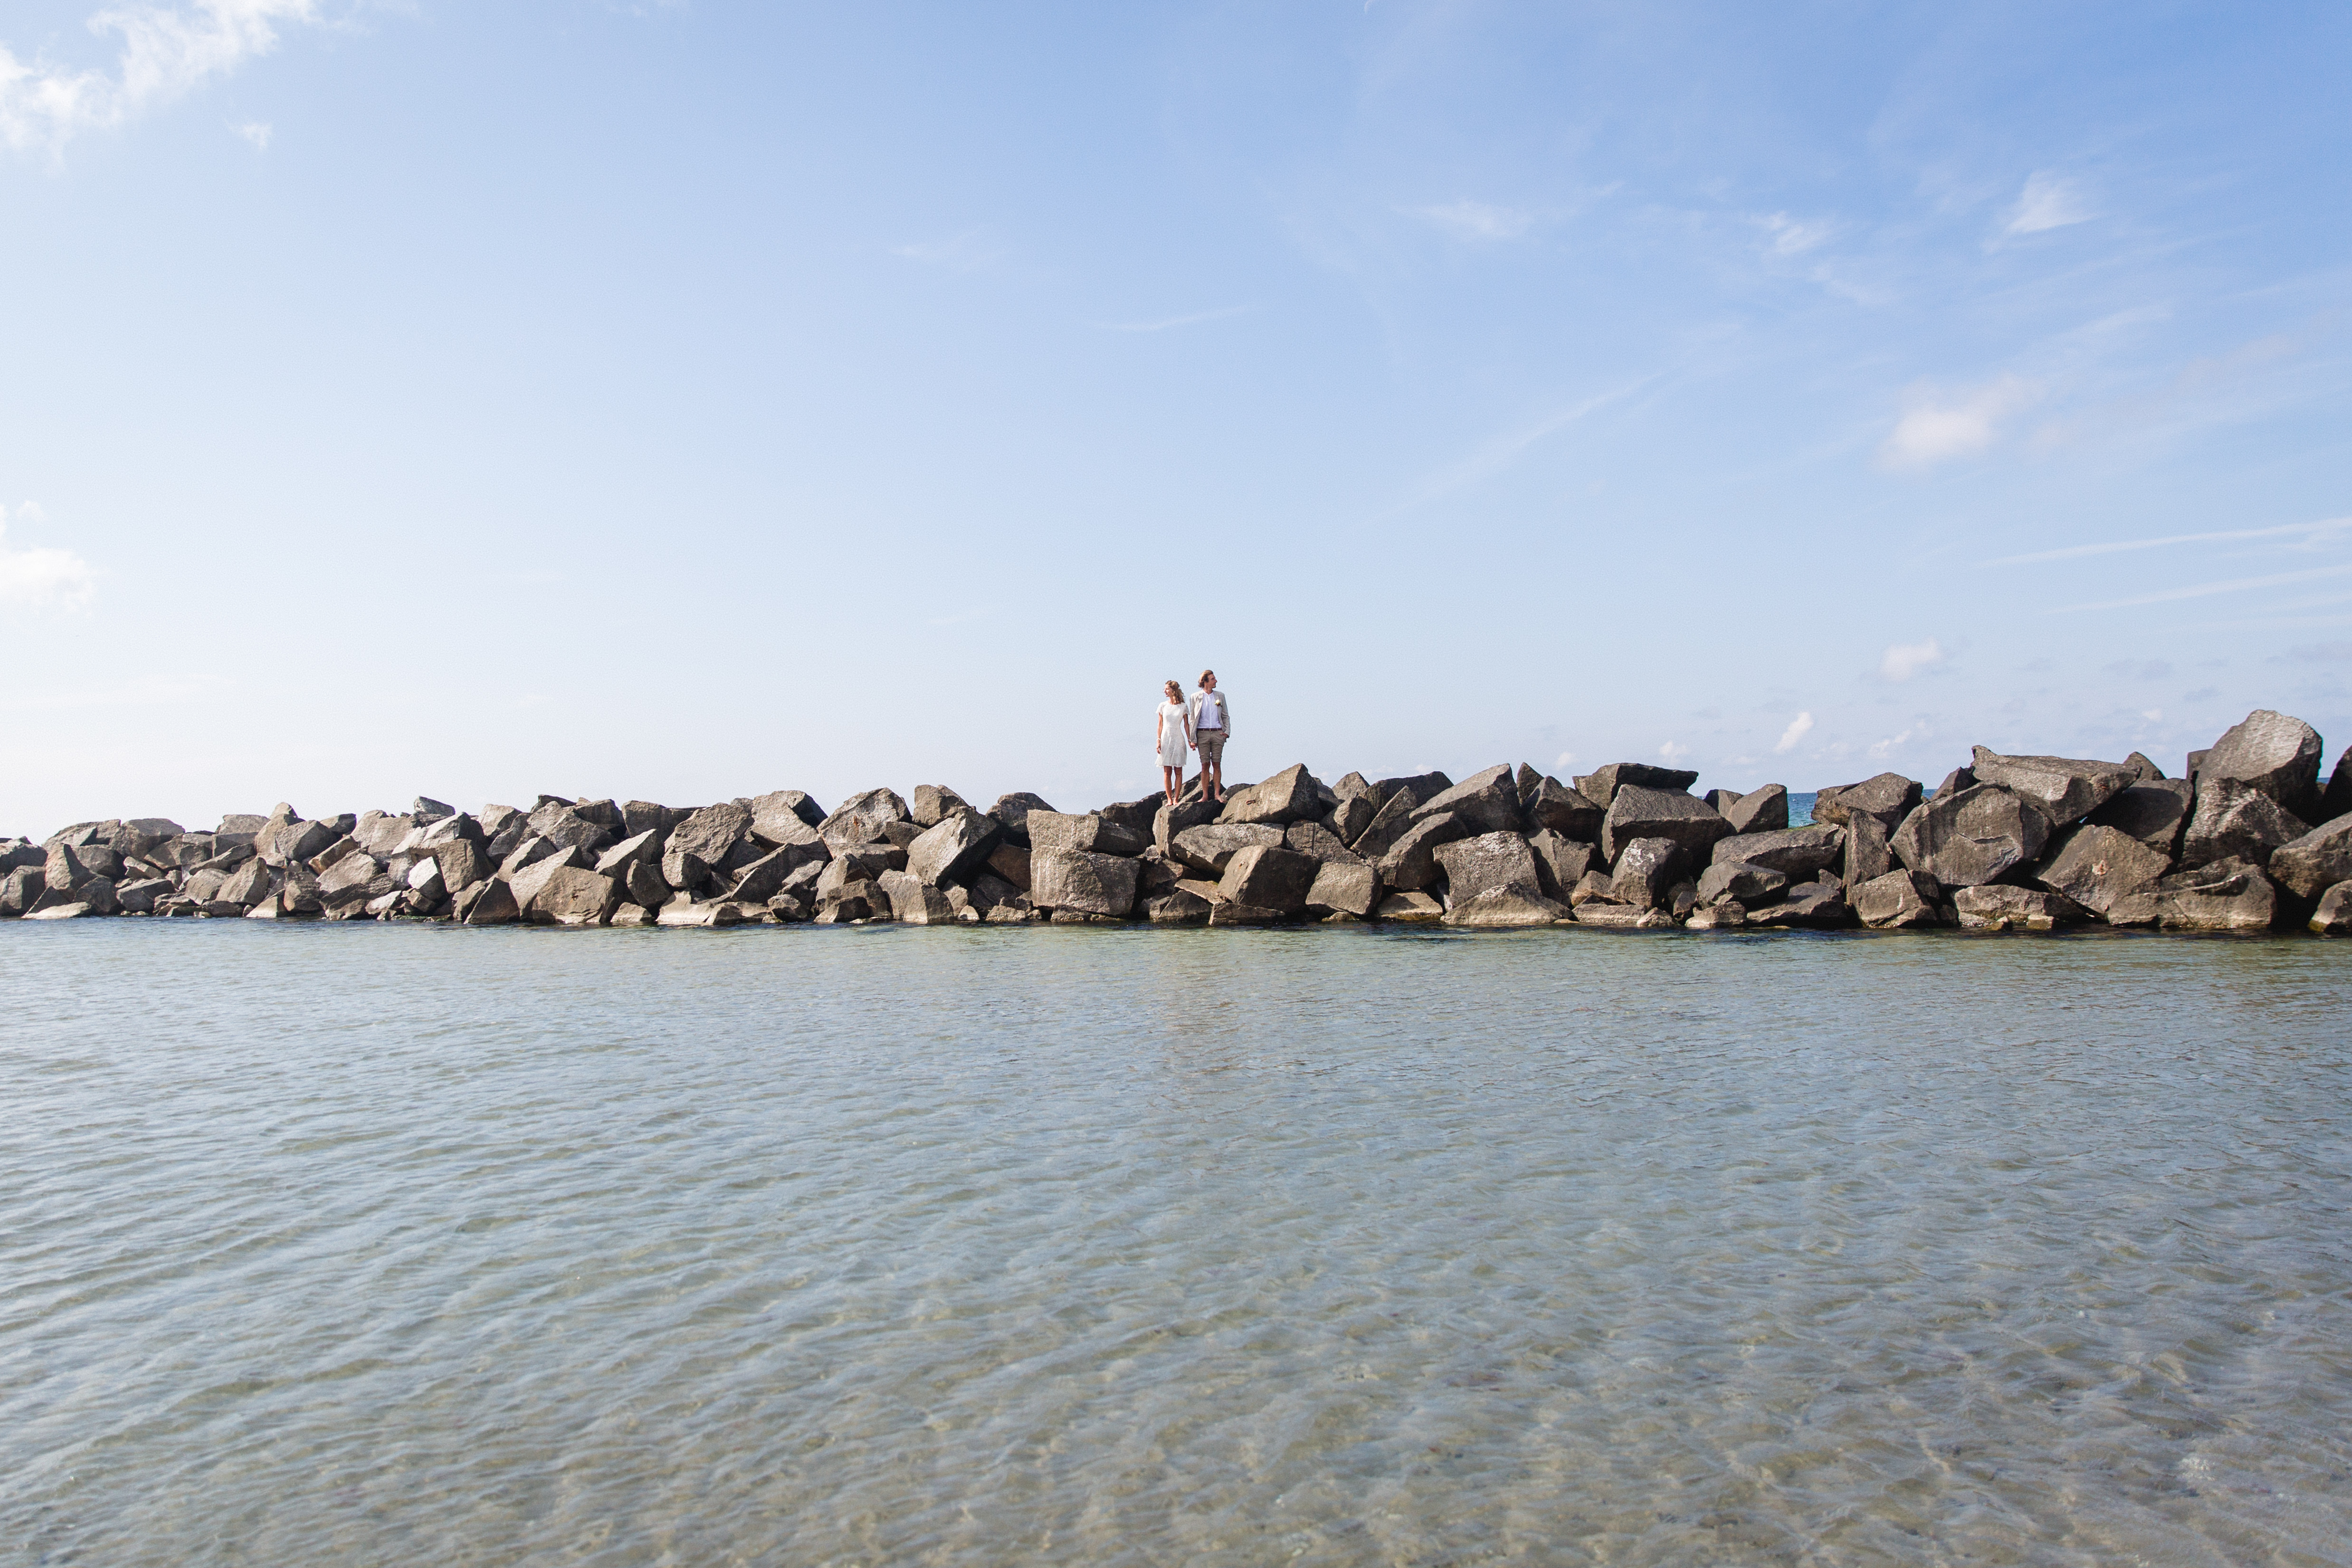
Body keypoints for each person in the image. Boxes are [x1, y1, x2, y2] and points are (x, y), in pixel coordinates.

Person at [1189, 670, 1230, 804]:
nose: (1216, 681)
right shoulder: (1195, 697)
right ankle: (1205, 795)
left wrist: (1227, 732)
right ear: (1205, 681)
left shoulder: (1220, 696)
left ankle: (1217, 794)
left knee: (1217, 763)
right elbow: (1193, 719)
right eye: (1213, 679)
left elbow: (1225, 715)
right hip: (1202, 733)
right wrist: (1192, 738)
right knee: (1205, 764)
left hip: (1218, 733)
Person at [1154, 680, 1193, 807]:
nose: (1165, 691)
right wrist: (1158, 740)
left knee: (1178, 770)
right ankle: (1169, 799)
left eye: (1167, 689)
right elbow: (1160, 725)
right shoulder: (1163, 706)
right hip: (1166, 737)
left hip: (1178, 737)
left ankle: (1176, 798)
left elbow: (1186, 724)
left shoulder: (1183, 706)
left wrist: (1190, 739)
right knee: (1167, 770)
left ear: (1173, 690)